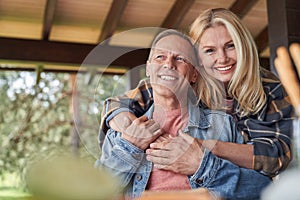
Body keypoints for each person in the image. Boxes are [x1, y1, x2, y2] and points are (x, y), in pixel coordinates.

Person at [102, 8, 294, 177]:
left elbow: (276, 156)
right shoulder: (185, 80)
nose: (222, 58)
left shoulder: (269, 87)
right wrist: (132, 134)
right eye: (210, 50)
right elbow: (116, 105)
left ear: (244, 46)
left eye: (230, 46)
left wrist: (204, 148)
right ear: (197, 58)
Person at [96, 29, 271, 200]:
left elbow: (262, 189)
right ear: (148, 68)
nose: (168, 64)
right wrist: (130, 146)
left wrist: (202, 166)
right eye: (160, 57)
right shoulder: (123, 130)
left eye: (180, 58)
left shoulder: (223, 125)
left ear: (194, 74)